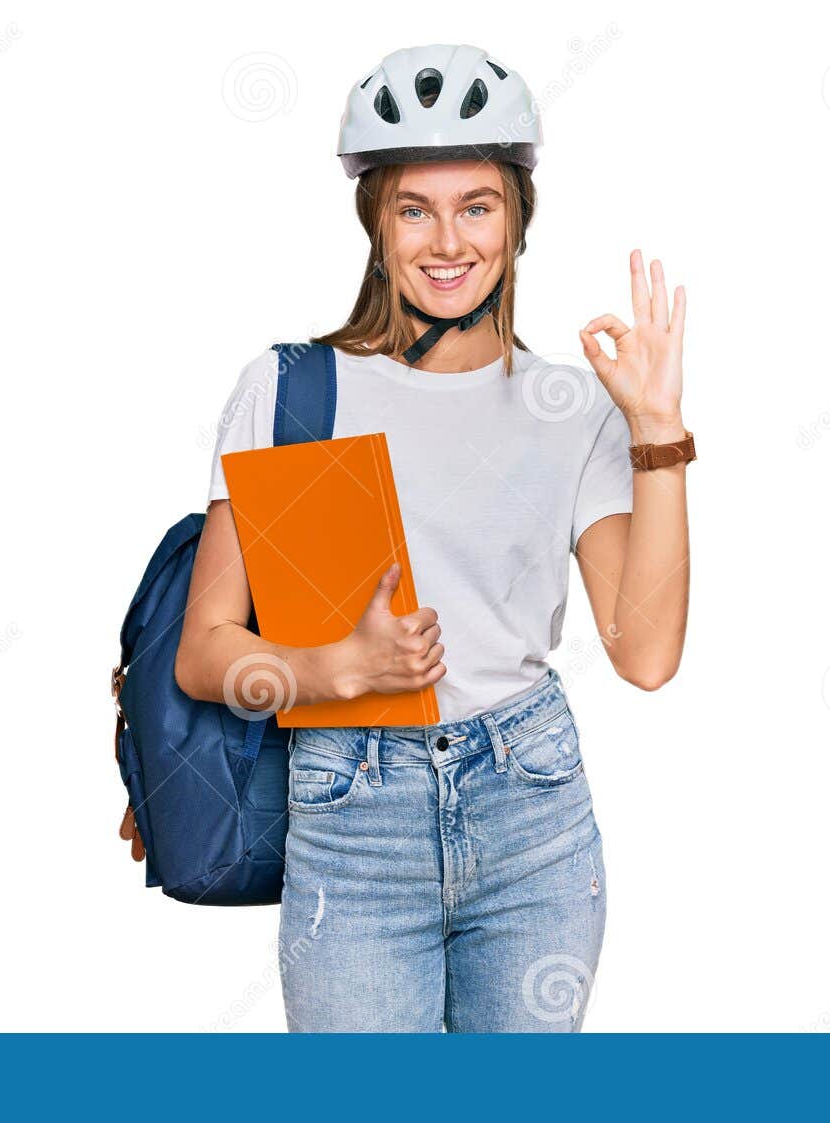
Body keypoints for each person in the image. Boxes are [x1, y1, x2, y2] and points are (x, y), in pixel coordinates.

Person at [175, 43, 694, 1031]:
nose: (446, 239)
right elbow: (205, 656)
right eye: (415, 208)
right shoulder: (292, 392)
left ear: (517, 223)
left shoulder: (569, 408)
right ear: (376, 225)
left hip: (530, 813)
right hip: (351, 819)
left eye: (478, 206)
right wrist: (337, 666)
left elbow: (648, 654)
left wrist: (657, 435)